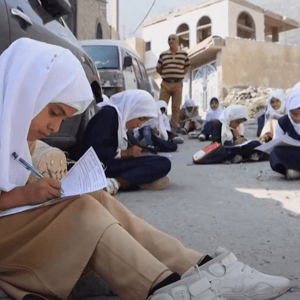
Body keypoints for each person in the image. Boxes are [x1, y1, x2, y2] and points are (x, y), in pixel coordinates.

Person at [0, 38, 291, 300]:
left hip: (17, 230)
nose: (54, 127)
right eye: (54, 113)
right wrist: (25, 196)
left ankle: (197, 266)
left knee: (96, 199)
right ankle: (160, 287)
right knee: (81, 208)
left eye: (63, 119)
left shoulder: (19, 139)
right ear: (25, 92)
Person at [76, 90, 172, 195]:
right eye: (140, 118)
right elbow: (94, 152)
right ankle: (116, 183)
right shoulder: (108, 115)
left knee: (163, 162)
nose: (139, 124)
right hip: (95, 169)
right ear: (131, 109)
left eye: (144, 121)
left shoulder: (120, 121)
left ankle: (133, 181)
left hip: (107, 165)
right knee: (162, 164)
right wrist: (123, 153)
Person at [193, 105, 264, 164]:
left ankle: (238, 157)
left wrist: (240, 137)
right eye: (237, 122)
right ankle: (242, 156)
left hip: (236, 149)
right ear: (231, 117)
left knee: (256, 143)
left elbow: (241, 142)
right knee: (226, 152)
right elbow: (216, 144)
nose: (238, 125)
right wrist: (234, 142)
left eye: (240, 123)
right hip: (226, 149)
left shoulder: (236, 127)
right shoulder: (218, 124)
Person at [156, 34, 190, 133]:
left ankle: (173, 130)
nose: (171, 41)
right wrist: (167, 75)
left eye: (173, 39)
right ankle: (161, 127)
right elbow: (158, 68)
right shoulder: (163, 54)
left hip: (177, 84)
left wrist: (177, 75)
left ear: (177, 41)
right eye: (169, 39)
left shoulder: (184, 54)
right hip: (165, 84)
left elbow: (186, 68)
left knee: (176, 108)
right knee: (161, 107)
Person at [269, 86, 300, 179]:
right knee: (275, 154)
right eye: (294, 114)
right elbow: (277, 141)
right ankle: (295, 171)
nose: (297, 118)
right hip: (295, 154)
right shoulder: (283, 122)